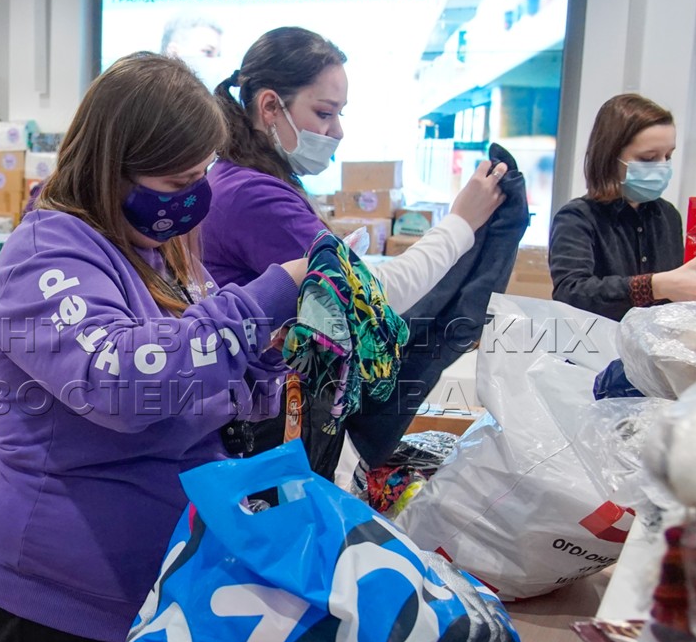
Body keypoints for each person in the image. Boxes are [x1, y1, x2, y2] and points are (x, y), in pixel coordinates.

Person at [0, 52, 307, 642]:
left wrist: (267, 362)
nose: (195, 198)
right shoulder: (44, 253)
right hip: (54, 605)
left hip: (159, 592)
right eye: (178, 182)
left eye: (201, 177)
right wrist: (265, 299)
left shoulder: (160, 248)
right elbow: (125, 383)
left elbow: (198, 380)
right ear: (116, 163)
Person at [198, 27, 508, 469]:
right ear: (270, 106)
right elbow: (371, 297)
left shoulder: (249, 180)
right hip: (260, 423)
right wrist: (461, 224)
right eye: (325, 113)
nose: (337, 130)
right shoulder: (255, 195)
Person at [550, 93, 696, 321]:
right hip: (597, 349)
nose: (662, 167)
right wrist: (654, 286)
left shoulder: (668, 215)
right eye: (648, 158)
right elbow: (571, 292)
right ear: (610, 156)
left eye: (668, 156)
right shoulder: (577, 217)